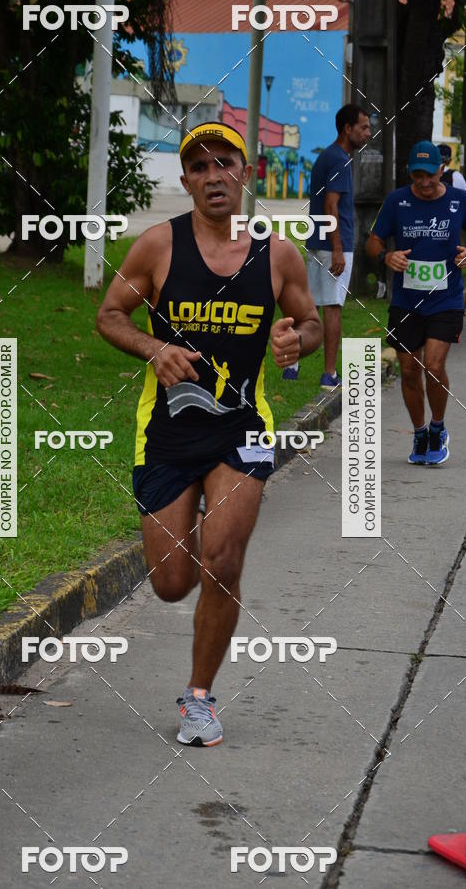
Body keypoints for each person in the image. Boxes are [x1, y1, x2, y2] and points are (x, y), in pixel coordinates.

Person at [96, 121, 322, 746]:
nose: (213, 175)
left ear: (244, 174)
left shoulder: (277, 254)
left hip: (242, 427)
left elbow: (311, 326)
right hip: (167, 429)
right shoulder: (156, 247)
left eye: (225, 163)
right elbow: (110, 315)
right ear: (186, 179)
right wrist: (153, 347)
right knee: (171, 582)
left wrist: (292, 341)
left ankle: (199, 699)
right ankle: (191, 527)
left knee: (223, 560)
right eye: (199, 166)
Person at [366, 140, 466, 465]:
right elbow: (372, 243)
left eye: (431, 176)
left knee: (433, 365)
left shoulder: (459, 200)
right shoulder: (396, 201)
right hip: (406, 301)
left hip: (446, 298)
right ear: (410, 174)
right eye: (418, 177)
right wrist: (388, 257)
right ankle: (419, 432)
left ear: (441, 171)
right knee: (408, 369)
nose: (425, 183)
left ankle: (438, 427)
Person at [283, 104, 370, 386]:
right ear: (347, 128)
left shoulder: (326, 157)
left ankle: (291, 366)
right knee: (332, 306)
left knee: (309, 307)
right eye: (363, 127)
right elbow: (331, 204)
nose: (368, 133)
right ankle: (329, 373)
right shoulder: (339, 160)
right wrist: (337, 247)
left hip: (316, 241)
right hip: (334, 244)